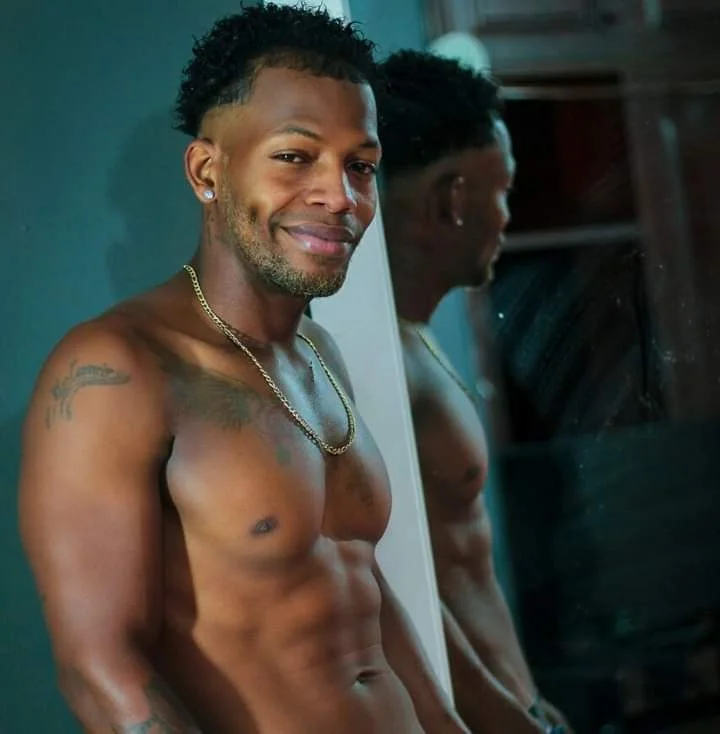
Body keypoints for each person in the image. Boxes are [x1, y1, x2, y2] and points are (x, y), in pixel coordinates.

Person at [18, 7, 469, 733]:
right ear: (208, 171)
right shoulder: (116, 371)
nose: (340, 196)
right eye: (295, 156)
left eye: (360, 166)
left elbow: (362, 593)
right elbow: (101, 670)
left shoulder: (320, 355)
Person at [378, 50, 571, 734]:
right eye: (504, 191)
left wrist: (531, 704)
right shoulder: (379, 366)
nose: (508, 216)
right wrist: (509, 719)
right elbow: (392, 580)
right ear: (451, 200)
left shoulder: (413, 339)